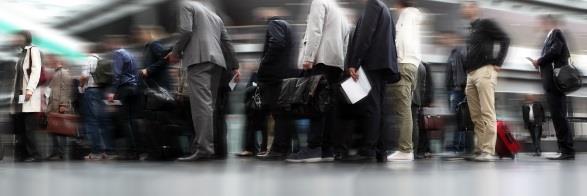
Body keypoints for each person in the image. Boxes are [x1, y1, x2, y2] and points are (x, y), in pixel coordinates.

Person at [167, 0, 239, 161]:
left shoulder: (186, 5)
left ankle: (204, 149)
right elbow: (227, 42)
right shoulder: (215, 16)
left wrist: (175, 52)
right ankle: (204, 146)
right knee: (209, 107)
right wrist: (235, 66)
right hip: (217, 63)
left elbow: (185, 30)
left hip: (199, 59)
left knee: (201, 107)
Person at [285, 0, 350, 163]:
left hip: (321, 60)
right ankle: (326, 149)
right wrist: (343, 63)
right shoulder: (338, 9)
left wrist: (308, 57)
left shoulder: (319, 2)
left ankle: (313, 148)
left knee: (316, 105)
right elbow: (346, 38)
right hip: (336, 63)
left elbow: (315, 30)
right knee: (329, 107)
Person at [340, 0, 400, 162]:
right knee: (379, 108)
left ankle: (369, 149)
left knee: (372, 108)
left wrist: (354, 62)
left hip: (372, 63)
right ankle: (381, 150)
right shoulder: (384, 8)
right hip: (382, 64)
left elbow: (365, 35)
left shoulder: (373, 5)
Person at [461, 1, 510, 162]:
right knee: (475, 116)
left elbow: (505, 38)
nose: (464, 8)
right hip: (471, 75)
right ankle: (480, 149)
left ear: (475, 7)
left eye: (467, 5)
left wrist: (498, 61)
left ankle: (488, 151)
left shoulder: (486, 23)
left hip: (484, 72)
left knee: (487, 112)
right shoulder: (472, 29)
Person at [528, 14, 575, 160]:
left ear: (548, 22)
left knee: (559, 116)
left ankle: (567, 151)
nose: (540, 24)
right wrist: (539, 64)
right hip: (550, 84)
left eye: (542, 22)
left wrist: (539, 61)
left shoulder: (556, 32)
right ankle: (564, 149)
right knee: (557, 116)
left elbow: (555, 52)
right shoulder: (549, 37)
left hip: (556, 84)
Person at [255, 17, 299, 161]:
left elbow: (277, 43)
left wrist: (263, 64)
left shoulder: (275, 24)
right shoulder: (290, 28)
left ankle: (278, 149)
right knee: (284, 113)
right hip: (288, 75)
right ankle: (282, 148)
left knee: (278, 113)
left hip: (275, 75)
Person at [386, 0, 424, 162]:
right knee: (406, 108)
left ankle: (405, 149)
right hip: (412, 64)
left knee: (402, 109)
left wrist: (395, 58)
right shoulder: (413, 16)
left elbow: (402, 40)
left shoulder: (406, 15)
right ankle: (406, 148)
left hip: (404, 63)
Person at [105, 36, 141, 160]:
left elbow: (117, 74)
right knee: (132, 120)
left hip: (124, 89)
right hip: (134, 88)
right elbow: (137, 73)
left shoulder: (118, 54)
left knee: (124, 120)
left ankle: (130, 151)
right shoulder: (131, 55)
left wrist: (112, 92)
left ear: (115, 44)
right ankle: (137, 150)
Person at [10, 30, 44, 162]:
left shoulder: (32, 50)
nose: (16, 39)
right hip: (18, 94)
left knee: (29, 127)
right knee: (20, 125)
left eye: (19, 37)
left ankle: (35, 155)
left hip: (27, 93)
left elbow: (36, 70)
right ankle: (23, 154)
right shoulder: (20, 53)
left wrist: (30, 89)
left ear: (25, 38)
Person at [80, 50, 114, 160]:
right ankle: (108, 152)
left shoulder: (89, 59)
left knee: (92, 122)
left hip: (91, 91)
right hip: (102, 91)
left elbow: (84, 76)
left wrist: (80, 87)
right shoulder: (101, 60)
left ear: (89, 51)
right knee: (104, 122)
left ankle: (96, 152)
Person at [45, 55, 74, 161]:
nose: (49, 62)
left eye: (51, 60)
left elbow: (65, 90)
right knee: (53, 130)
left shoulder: (64, 73)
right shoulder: (56, 73)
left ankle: (60, 153)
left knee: (61, 131)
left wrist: (63, 105)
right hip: (53, 106)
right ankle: (55, 152)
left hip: (59, 106)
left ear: (57, 61)